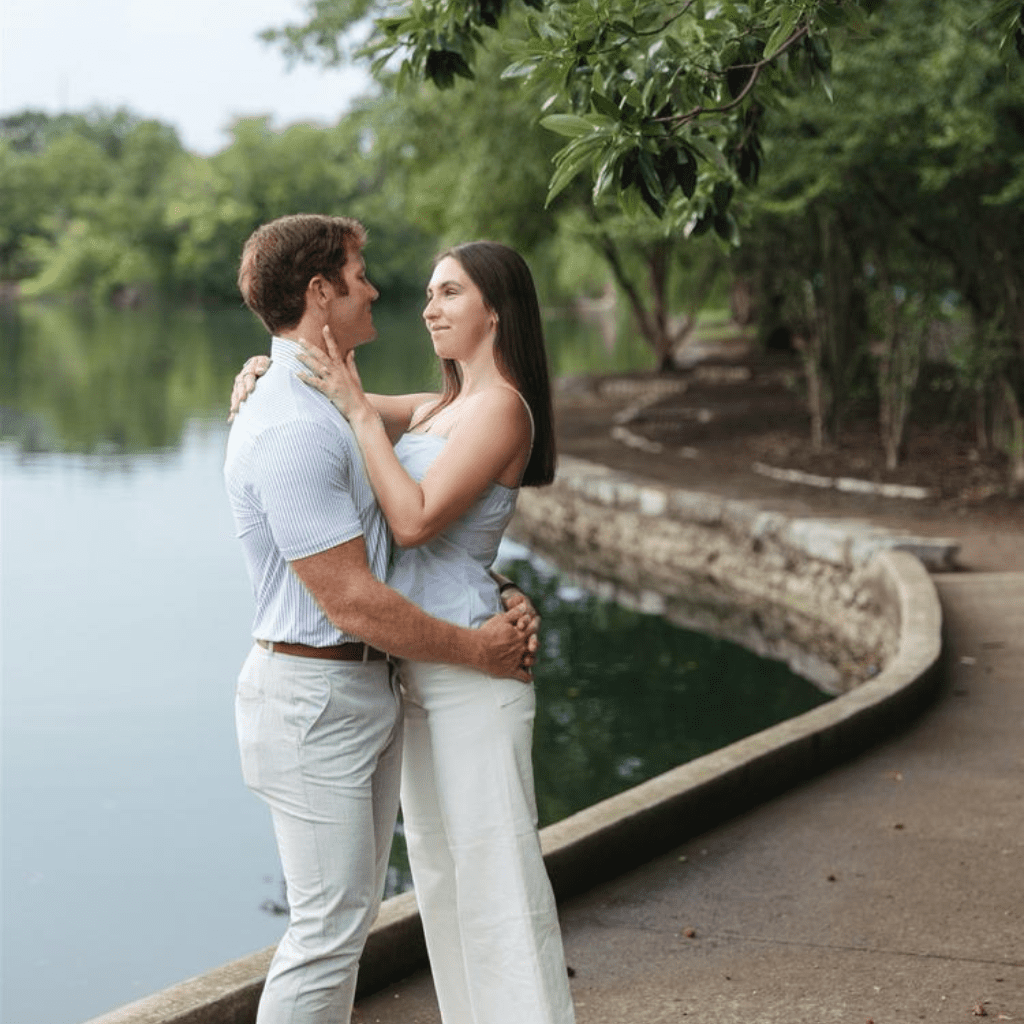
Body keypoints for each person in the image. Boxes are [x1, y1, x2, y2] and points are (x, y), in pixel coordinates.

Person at [234, 240, 576, 1024]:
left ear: (496, 309)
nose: (427, 307)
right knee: (445, 886)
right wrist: (260, 370)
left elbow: (415, 522)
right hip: (418, 671)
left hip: (476, 673)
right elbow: (314, 391)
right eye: (428, 292)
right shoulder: (433, 408)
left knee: (500, 881)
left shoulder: (502, 408)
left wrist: (358, 412)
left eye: (449, 293)